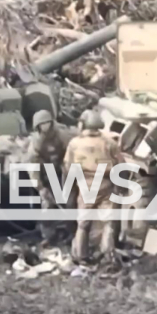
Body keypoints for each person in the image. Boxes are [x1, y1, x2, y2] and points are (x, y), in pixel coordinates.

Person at [63, 111, 123, 263]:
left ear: (82, 124)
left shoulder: (74, 143)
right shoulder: (109, 143)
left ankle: (80, 255)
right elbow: (120, 165)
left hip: (85, 186)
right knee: (108, 222)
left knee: (83, 223)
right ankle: (107, 255)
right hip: (106, 185)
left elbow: (68, 166)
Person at [26, 110, 68, 244]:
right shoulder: (36, 143)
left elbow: (70, 155)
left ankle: (69, 233)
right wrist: (40, 187)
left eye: (47, 123)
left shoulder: (61, 135)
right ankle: (49, 236)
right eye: (42, 124)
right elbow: (33, 166)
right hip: (46, 176)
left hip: (63, 174)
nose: (45, 126)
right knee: (48, 206)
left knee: (70, 204)